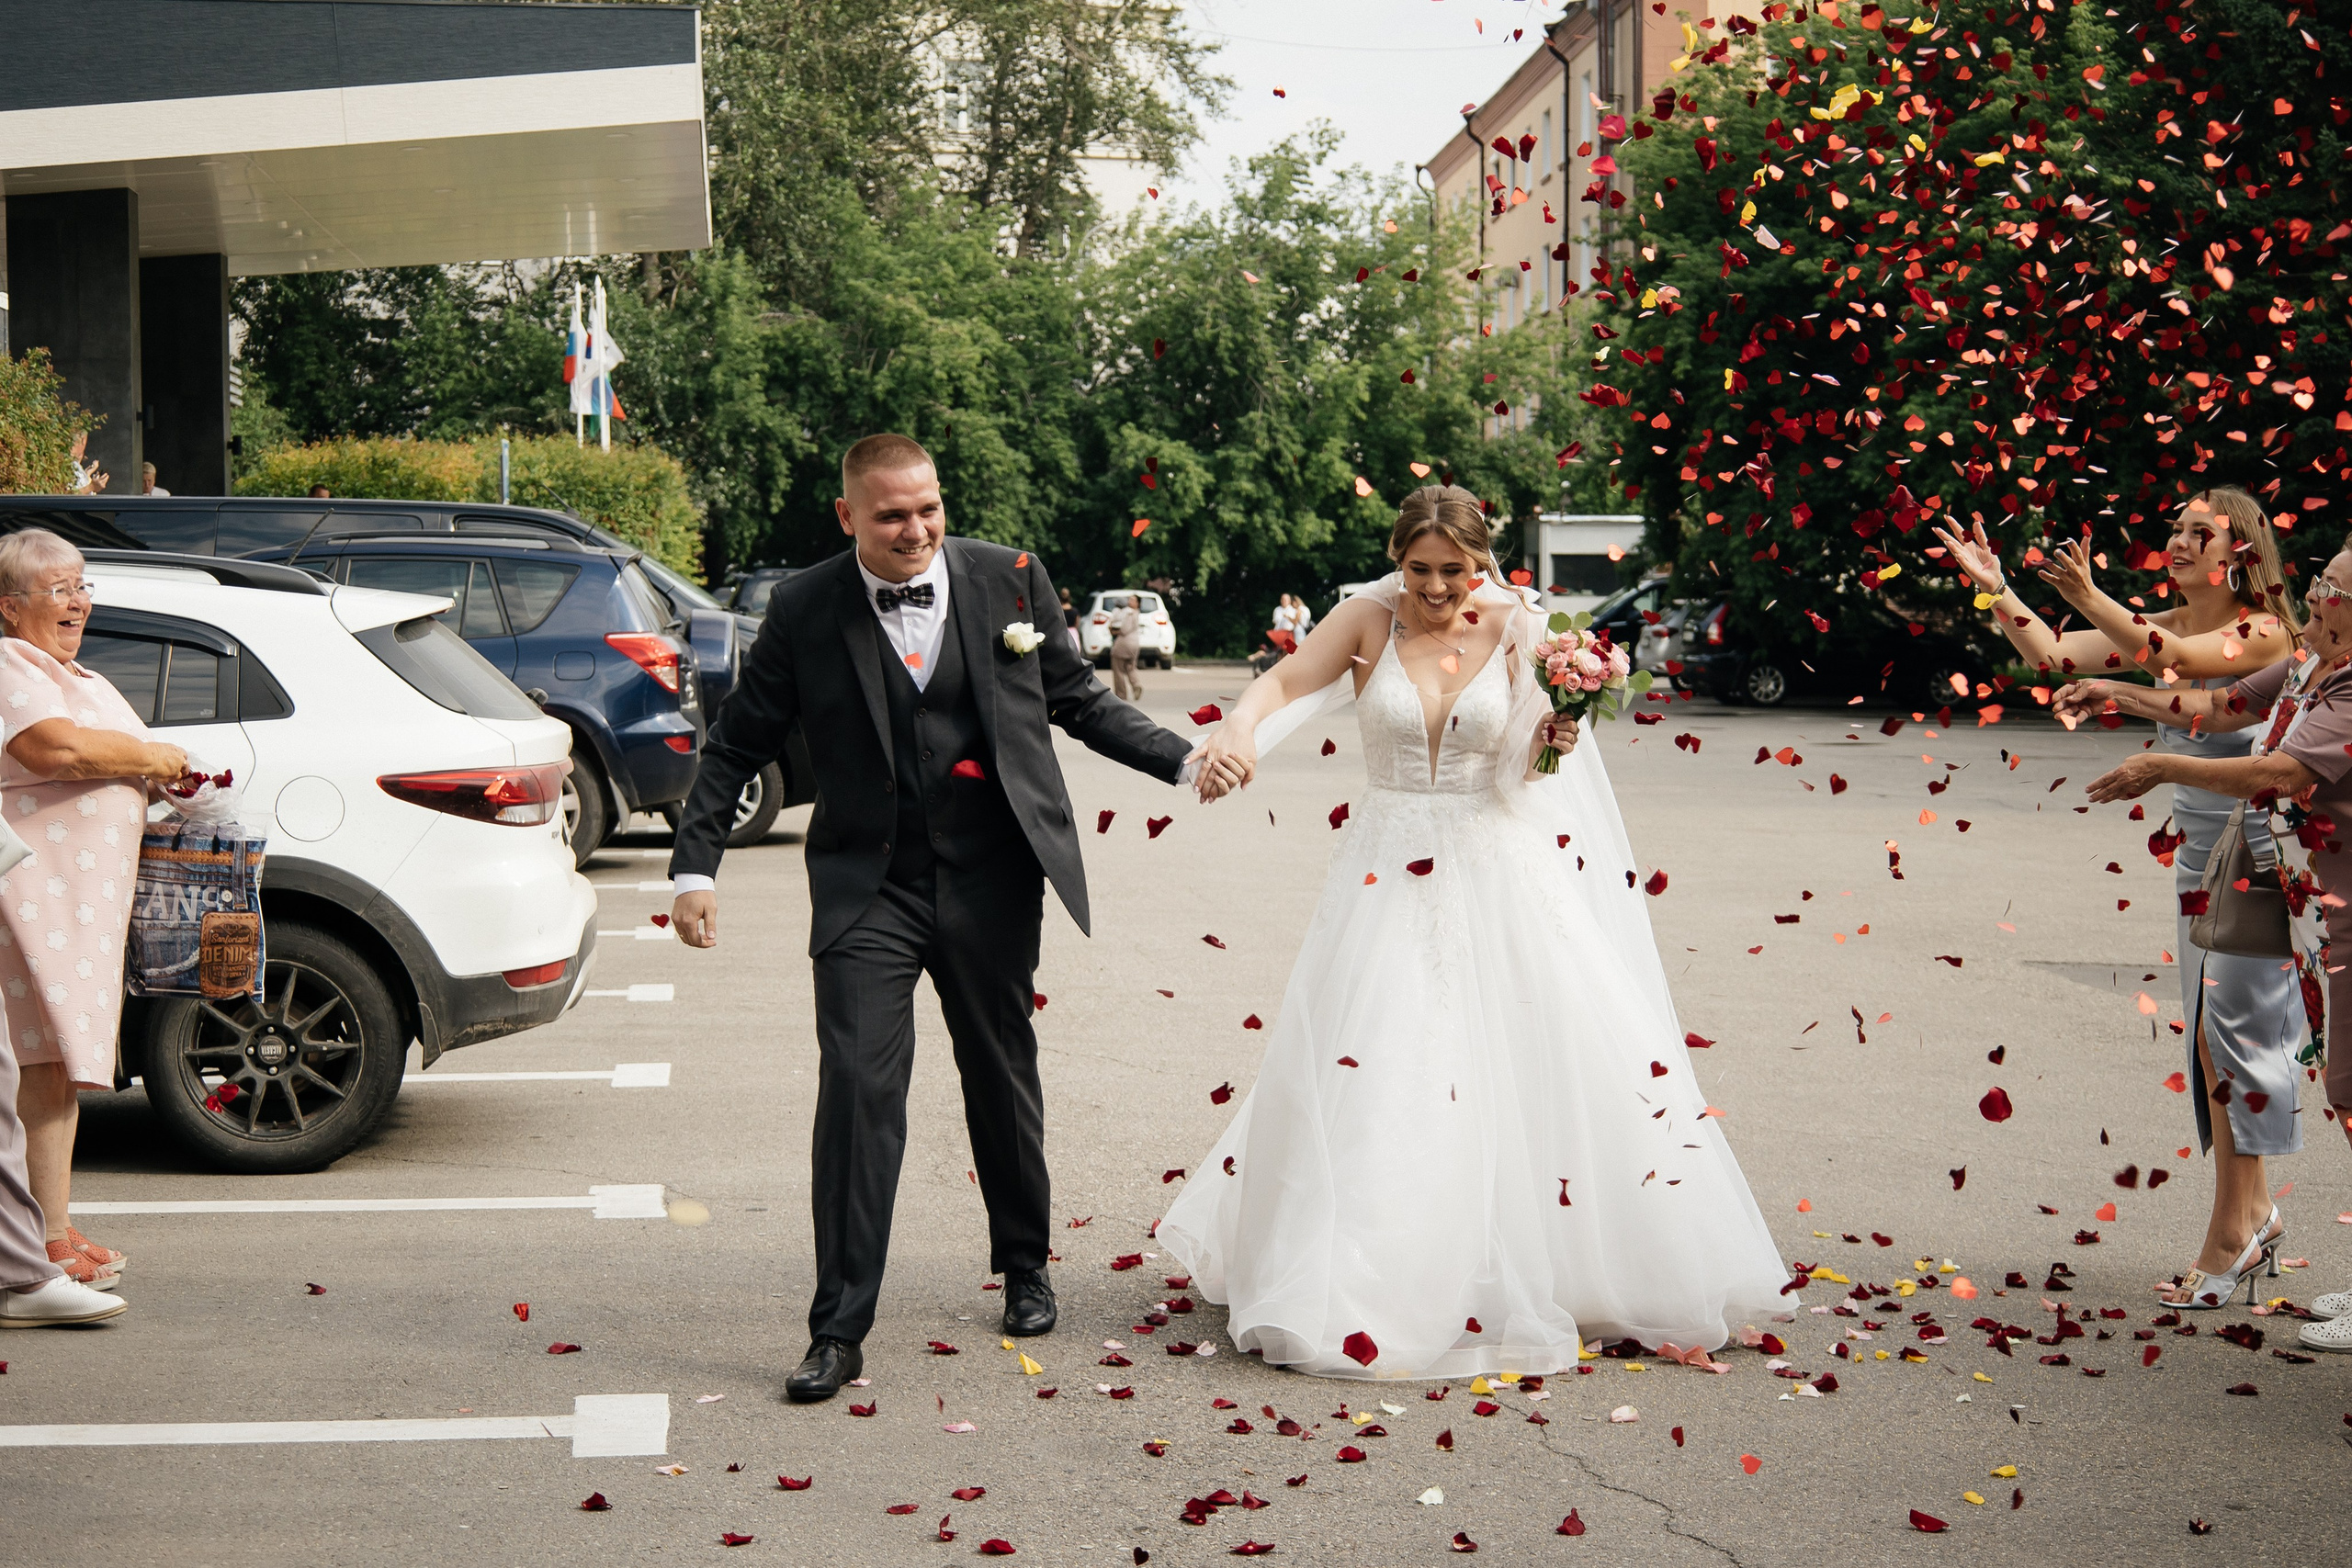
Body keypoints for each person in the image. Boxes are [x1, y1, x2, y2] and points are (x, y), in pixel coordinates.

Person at [1160, 486, 1793, 1378]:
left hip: (1496, 861)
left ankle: (1551, 1262)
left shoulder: (1524, 627)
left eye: (1452, 571)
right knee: (1381, 1057)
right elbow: (1282, 682)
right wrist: (1238, 727)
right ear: (1397, 560)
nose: (1434, 588)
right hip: (1385, 867)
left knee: (1526, 1057)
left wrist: (1556, 735)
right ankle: (1370, 1271)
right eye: (1418, 569)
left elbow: (1530, 769)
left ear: (1481, 562)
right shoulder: (1366, 618)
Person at [664, 434, 1238, 1404]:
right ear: (848, 516)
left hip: (991, 876)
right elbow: (737, 744)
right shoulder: (804, 607)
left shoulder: (1009, 578)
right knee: (857, 1088)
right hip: (868, 886)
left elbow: (1075, 699)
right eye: (891, 515)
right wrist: (693, 868)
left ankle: (1025, 1264)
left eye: (927, 508)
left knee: (998, 1070)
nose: (915, 529)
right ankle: (838, 1329)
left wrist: (1183, 760)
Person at [1939, 491, 2303, 1310]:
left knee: (2233, 1042)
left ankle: (2233, 1234)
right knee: (2214, 1046)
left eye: (2200, 532)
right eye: (2175, 528)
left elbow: (2175, 661)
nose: (2179, 541)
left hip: (2257, 858)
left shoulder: (2265, 631)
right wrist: (1997, 588)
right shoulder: (2166, 622)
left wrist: (2091, 595)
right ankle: (2254, 1215)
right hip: (2200, 864)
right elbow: (2052, 654)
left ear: (2240, 554)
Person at [2064, 530, 2352, 1348]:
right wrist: (2118, 696)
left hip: (2343, 912)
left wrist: (2164, 767)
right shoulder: (2309, 663)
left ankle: (2245, 1227)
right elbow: (2216, 709)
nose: (2316, 595)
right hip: (2304, 904)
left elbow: (2283, 772)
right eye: (2321, 580)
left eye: (2333, 589)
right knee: (2321, 1077)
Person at [0, 530, 190, 1290]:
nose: (77, 601)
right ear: (10, 607)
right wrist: (155, 759)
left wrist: (168, 779)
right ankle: (32, 1238)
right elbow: (55, 751)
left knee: (53, 1064)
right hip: (29, 899)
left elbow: (107, 755)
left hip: (73, 909)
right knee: (35, 1065)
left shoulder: (73, 673)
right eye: (59, 589)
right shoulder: (10, 663)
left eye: (82, 586)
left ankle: (48, 1225)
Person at [1107, 593, 1144, 703]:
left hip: (1123, 643)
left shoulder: (1129, 613)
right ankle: (1136, 685)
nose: (1129, 602)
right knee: (1131, 667)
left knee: (1118, 669)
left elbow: (1124, 630)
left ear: (1137, 603)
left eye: (1132, 600)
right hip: (1135, 644)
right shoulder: (1137, 613)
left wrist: (1113, 631)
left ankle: (1121, 694)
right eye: (1129, 600)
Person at [68, 432, 107, 496]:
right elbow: (66, 496)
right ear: (83, 440)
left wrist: (87, 474)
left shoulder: (74, 465)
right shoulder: (68, 466)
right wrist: (92, 487)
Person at [1058, 586, 1080, 653]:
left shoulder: (1059, 611)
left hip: (1062, 632)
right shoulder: (1075, 611)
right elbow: (1077, 624)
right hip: (1073, 633)